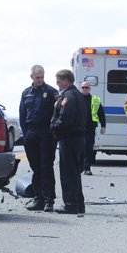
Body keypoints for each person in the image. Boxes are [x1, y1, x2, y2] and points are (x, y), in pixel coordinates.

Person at [19, 65, 59, 212]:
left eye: (42, 77)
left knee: (46, 167)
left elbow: (57, 113)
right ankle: (39, 199)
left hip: (46, 133)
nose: (40, 80)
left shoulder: (51, 92)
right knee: (36, 168)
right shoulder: (26, 93)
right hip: (31, 133)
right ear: (32, 77)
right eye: (37, 77)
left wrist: (53, 132)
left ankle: (49, 200)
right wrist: (26, 134)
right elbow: (22, 115)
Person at [51, 69, 87, 214]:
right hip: (77, 138)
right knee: (74, 173)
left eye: (58, 81)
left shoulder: (69, 96)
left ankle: (71, 205)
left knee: (68, 174)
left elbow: (65, 118)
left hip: (69, 138)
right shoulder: (77, 95)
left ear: (65, 80)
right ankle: (78, 204)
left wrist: (53, 126)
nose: (57, 83)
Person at [80, 81, 106, 175]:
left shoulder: (95, 100)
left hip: (90, 128)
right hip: (78, 128)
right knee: (79, 148)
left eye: (86, 87)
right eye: (83, 87)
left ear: (90, 89)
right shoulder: (77, 99)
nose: (85, 89)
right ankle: (79, 167)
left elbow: (101, 114)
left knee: (88, 148)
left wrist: (103, 126)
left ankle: (87, 168)